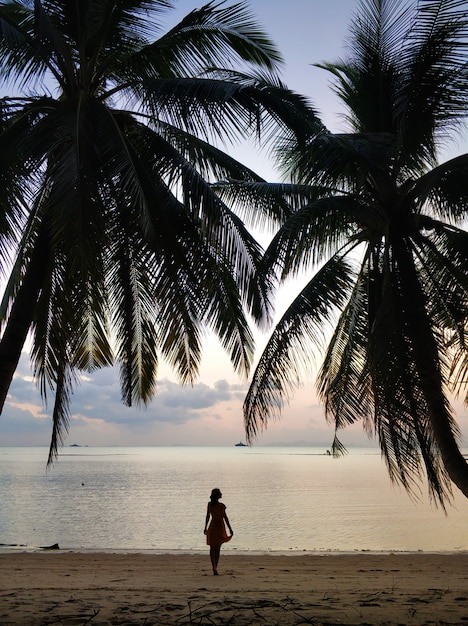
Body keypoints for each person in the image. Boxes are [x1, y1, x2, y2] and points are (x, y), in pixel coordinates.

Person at [204, 488, 233, 575]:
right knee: (217, 548)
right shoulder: (221, 506)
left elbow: (207, 517)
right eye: (220, 493)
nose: (222, 494)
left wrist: (205, 527)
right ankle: (215, 566)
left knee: (213, 548)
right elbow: (225, 518)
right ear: (217, 495)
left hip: (213, 526)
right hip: (220, 526)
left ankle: (214, 567)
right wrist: (230, 528)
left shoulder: (210, 504)